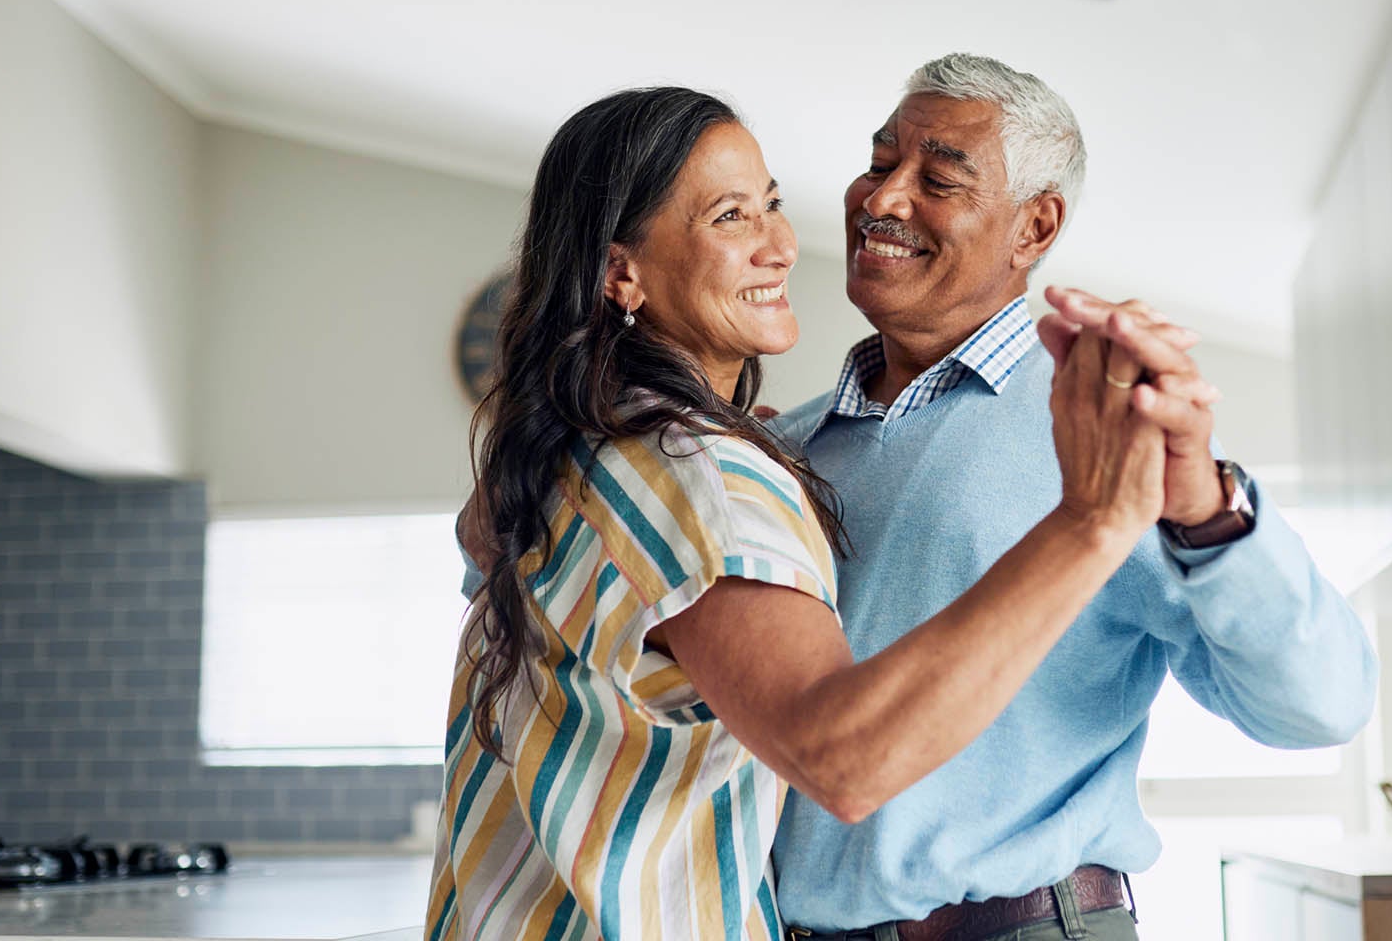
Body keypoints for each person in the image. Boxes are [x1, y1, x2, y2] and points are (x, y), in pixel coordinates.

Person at [426, 86, 1214, 941]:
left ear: (1035, 228)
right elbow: (843, 759)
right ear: (623, 272)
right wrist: (1092, 522)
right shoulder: (698, 477)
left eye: (769, 204)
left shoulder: (594, 459)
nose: (781, 244)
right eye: (730, 217)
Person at [768, 53, 1380, 941]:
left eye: (937, 176)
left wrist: (1206, 508)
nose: (884, 197)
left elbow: (1321, 706)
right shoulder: (785, 449)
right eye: (879, 161)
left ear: (1034, 227)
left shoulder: (1101, 430)